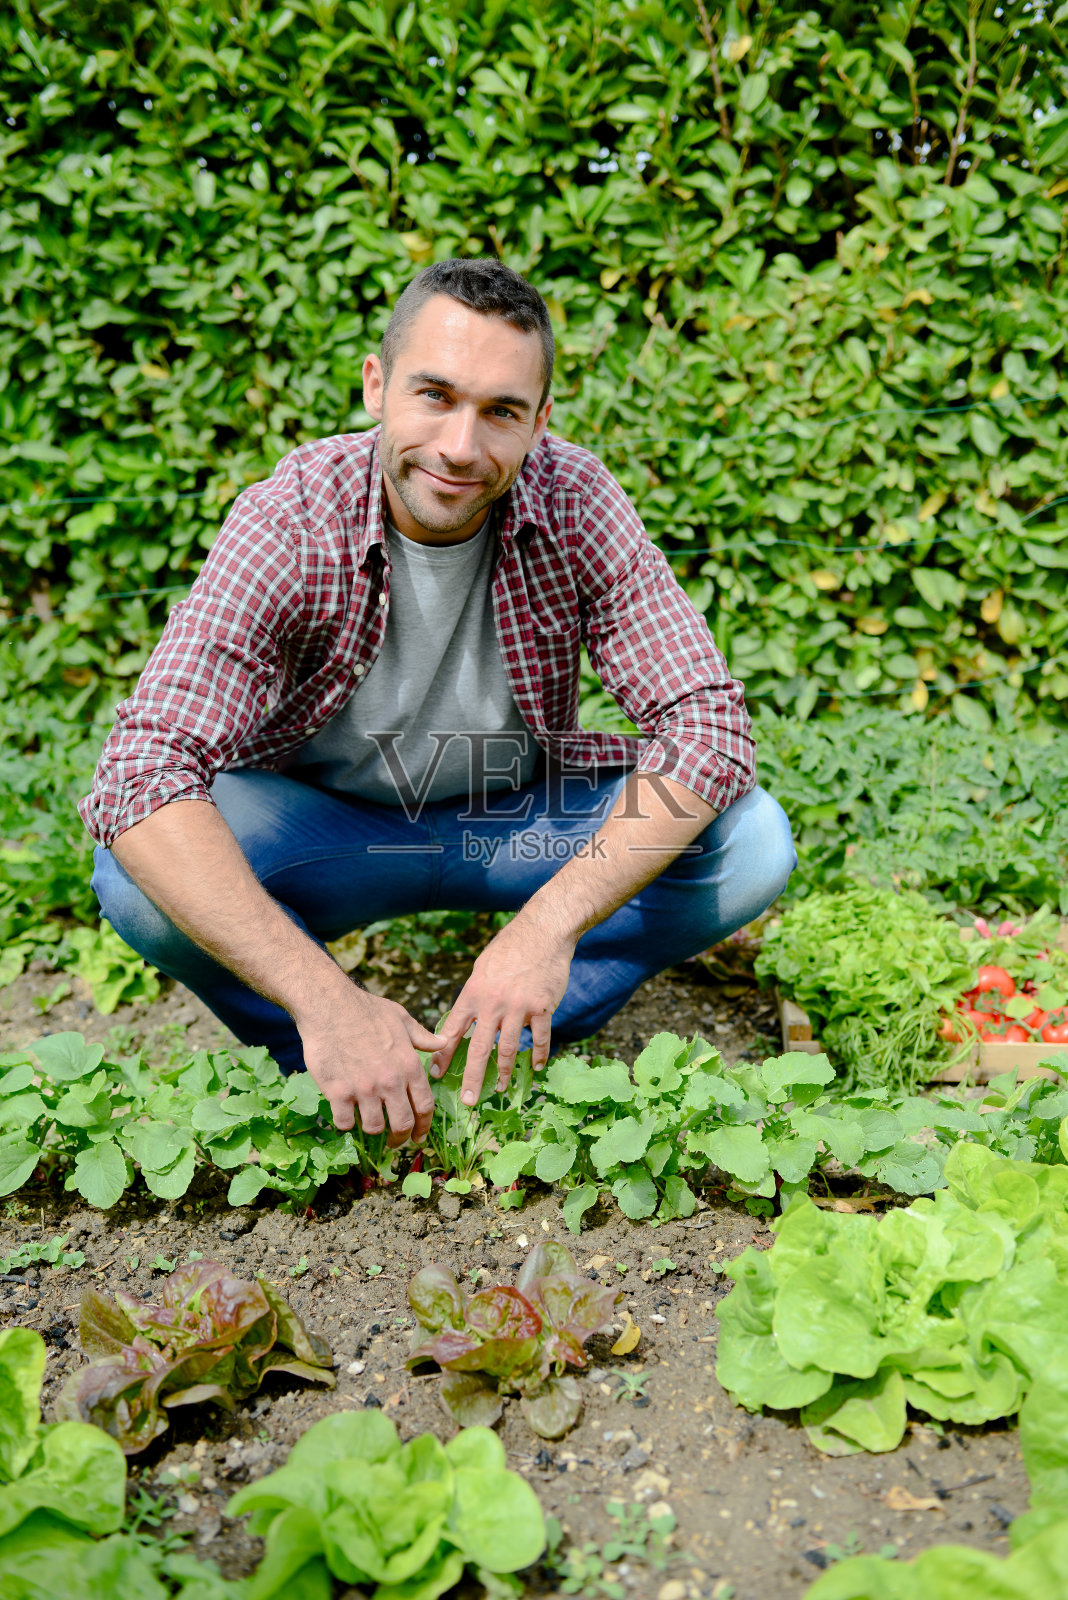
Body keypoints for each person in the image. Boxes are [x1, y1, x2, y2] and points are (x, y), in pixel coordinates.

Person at [81, 258, 795, 1149]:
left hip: (516, 824)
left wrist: (546, 927)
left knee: (749, 842)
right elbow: (142, 775)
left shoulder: (578, 501)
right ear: (377, 385)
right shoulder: (291, 520)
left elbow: (707, 725)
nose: (461, 446)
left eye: (500, 411)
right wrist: (326, 997)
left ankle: (515, 1035)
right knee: (137, 876)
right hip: (333, 833)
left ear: (540, 423)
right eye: (435, 395)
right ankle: (326, 1053)